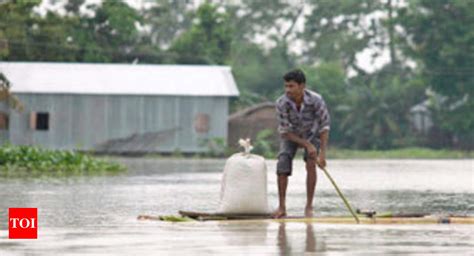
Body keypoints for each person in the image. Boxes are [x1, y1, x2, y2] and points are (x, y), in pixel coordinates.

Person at [273, 68, 330, 218]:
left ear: (302, 86)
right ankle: (282, 207)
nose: (288, 90)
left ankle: (309, 206)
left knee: (311, 162)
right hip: (291, 136)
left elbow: (324, 126)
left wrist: (322, 154)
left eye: (291, 86)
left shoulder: (316, 100)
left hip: (312, 134)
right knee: (282, 162)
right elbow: (285, 131)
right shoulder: (281, 103)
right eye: (286, 86)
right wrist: (306, 145)